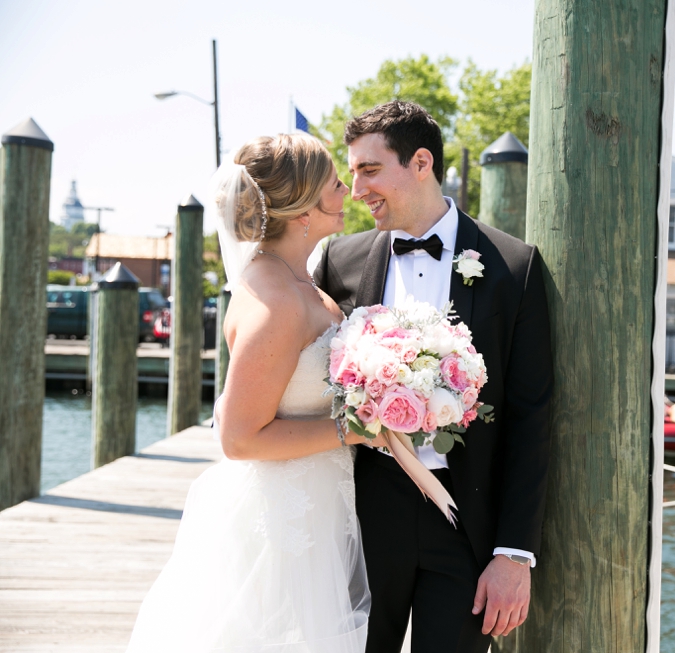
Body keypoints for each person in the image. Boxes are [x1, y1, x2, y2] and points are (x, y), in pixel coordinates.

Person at [315, 101, 554, 653]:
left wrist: (514, 554)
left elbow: (530, 418)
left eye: (369, 170)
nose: (356, 190)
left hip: (465, 525)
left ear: (420, 162)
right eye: (352, 173)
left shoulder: (514, 268)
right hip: (361, 518)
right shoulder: (339, 263)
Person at [126, 133, 374, 653]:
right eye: (334, 182)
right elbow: (239, 437)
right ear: (303, 208)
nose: (347, 189)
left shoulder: (293, 281)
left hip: (319, 505)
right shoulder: (276, 300)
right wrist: (354, 429)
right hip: (283, 524)